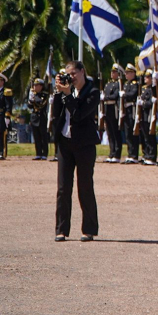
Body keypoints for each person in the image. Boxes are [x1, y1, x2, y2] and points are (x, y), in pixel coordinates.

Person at [52, 61, 100, 242]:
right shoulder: (66, 90)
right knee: (63, 188)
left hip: (85, 145)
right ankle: (61, 229)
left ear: (82, 71)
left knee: (85, 186)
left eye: (73, 74)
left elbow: (79, 115)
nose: (70, 77)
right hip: (65, 142)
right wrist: (59, 92)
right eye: (67, 74)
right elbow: (56, 113)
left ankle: (89, 229)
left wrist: (67, 95)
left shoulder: (92, 92)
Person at [103, 64, 123, 163]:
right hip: (107, 108)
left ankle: (117, 153)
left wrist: (106, 97)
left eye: (114, 72)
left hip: (113, 108)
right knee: (109, 132)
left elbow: (115, 96)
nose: (112, 73)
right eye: (112, 72)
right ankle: (111, 152)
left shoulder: (118, 84)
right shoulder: (108, 84)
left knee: (115, 131)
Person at [120, 64, 139, 164]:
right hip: (126, 109)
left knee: (132, 131)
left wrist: (125, 94)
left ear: (133, 73)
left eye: (128, 73)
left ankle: (134, 155)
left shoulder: (135, 84)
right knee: (127, 132)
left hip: (132, 109)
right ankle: (130, 153)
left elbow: (133, 94)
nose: (126, 75)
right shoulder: (127, 84)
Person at [28, 78, 50, 160]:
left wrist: (34, 99)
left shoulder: (44, 95)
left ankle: (44, 154)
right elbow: (30, 106)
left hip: (42, 117)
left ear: (41, 86)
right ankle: (38, 153)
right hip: (34, 117)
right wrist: (30, 99)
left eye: (37, 85)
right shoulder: (33, 94)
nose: (35, 87)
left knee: (43, 136)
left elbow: (41, 104)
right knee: (36, 136)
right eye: (34, 85)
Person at [0, 73, 14, 159]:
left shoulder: (6, 92)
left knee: (2, 135)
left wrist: (7, 116)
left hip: (2, 115)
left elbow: (9, 105)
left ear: (3, 82)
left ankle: (2, 152)